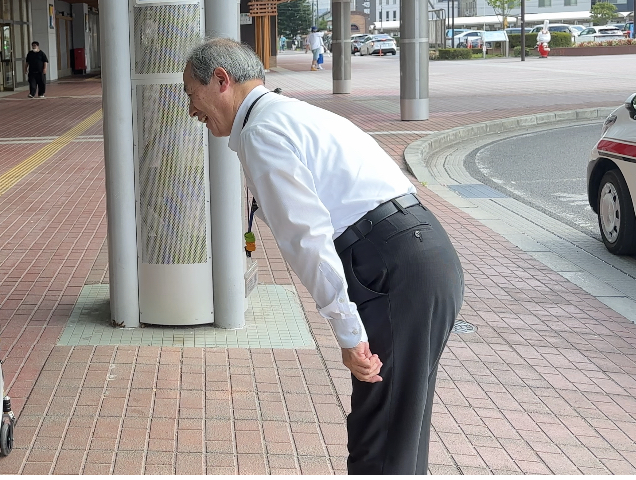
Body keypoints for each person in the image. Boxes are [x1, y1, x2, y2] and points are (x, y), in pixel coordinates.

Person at [182, 39, 464, 475]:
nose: (191, 110)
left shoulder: (262, 131)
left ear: (221, 80)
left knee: (381, 437)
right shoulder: (293, 114)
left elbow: (306, 238)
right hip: (423, 254)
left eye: (190, 95)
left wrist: (350, 336)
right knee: (400, 424)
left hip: (391, 269)